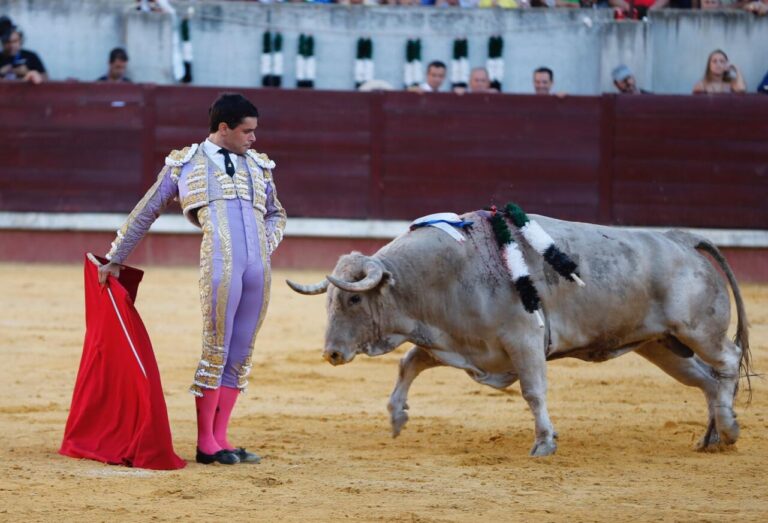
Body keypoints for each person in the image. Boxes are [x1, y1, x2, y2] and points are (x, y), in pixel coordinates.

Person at [98, 93, 287, 465]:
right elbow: (146, 210)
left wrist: (266, 244)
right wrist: (116, 257)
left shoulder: (260, 167)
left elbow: (277, 214)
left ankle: (222, 438)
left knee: (241, 353)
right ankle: (206, 444)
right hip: (221, 264)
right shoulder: (184, 164)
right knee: (216, 349)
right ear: (223, 128)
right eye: (247, 131)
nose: (253, 139)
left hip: (258, 270)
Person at [0, 19, 47, 84]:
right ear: (3, 43)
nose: (12, 45)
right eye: (8, 42)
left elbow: (46, 78)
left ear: (20, 41)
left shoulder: (31, 56)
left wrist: (30, 73)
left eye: (15, 41)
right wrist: (1, 72)